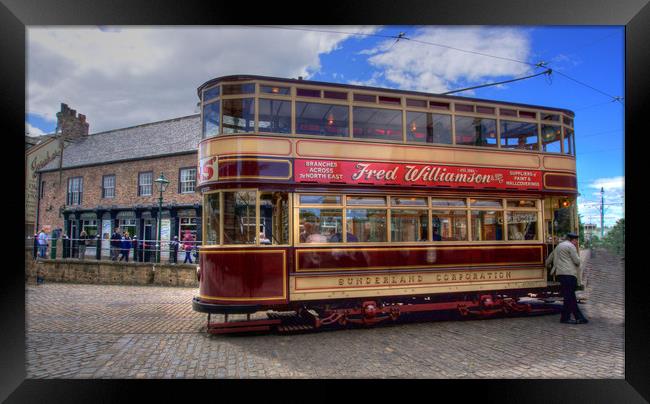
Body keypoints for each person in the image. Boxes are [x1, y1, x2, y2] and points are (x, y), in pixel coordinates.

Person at [545, 233, 588, 324]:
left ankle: (566, 317)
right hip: (569, 274)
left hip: (560, 274)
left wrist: (546, 265)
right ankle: (577, 317)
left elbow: (550, 258)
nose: (577, 243)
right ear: (574, 240)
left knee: (568, 297)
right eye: (576, 241)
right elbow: (577, 261)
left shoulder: (559, 246)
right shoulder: (571, 246)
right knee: (570, 297)